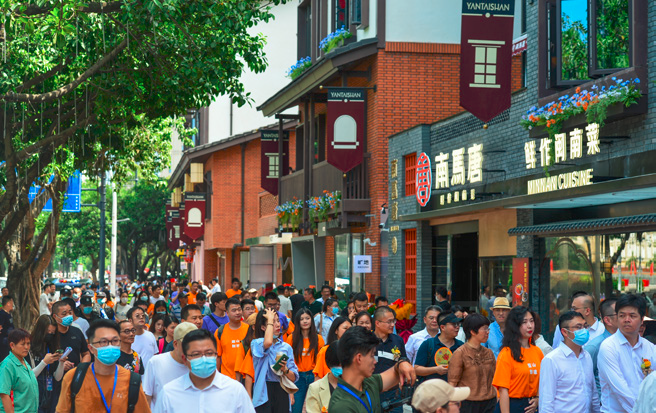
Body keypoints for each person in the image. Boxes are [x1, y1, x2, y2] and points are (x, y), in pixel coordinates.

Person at [55, 319, 150, 412]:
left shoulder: (132, 381)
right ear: (91, 348)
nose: (110, 346)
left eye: (115, 341)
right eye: (103, 342)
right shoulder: (74, 378)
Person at [153, 329, 253, 413]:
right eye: (196, 354)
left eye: (209, 353)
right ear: (185, 359)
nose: (204, 359)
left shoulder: (235, 390)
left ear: (216, 355)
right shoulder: (169, 393)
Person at [327, 326, 416, 413]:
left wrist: (401, 363)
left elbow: (395, 373)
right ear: (359, 358)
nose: (375, 361)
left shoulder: (369, 383)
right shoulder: (341, 406)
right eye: (372, 355)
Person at [598, 294, 656, 413]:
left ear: (642, 319)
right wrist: (641, 410)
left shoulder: (650, 347)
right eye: (622, 315)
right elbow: (621, 391)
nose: (626, 320)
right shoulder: (608, 347)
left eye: (632, 316)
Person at [538, 311, 600, 413]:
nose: (584, 330)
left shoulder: (586, 356)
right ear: (565, 332)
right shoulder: (552, 360)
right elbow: (546, 401)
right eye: (578, 327)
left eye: (585, 326)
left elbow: (593, 393)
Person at [491, 306, 543, 413]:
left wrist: (537, 398)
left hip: (532, 406)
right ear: (515, 326)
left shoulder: (537, 351)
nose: (530, 326)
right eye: (524, 322)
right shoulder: (506, 353)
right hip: (512, 405)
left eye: (531, 321)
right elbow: (503, 390)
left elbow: (542, 380)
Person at [251, 308, 299, 413]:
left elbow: (294, 377)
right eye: (273, 322)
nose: (278, 325)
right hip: (263, 390)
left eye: (278, 321)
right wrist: (270, 320)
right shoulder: (257, 343)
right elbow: (268, 343)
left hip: (281, 389)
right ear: (263, 327)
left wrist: (285, 370)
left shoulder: (286, 347)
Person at [448, 313, 496, 413]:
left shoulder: (489, 353)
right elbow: (452, 383)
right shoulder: (460, 353)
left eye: (488, 329)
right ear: (473, 331)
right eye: (485, 329)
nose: (488, 332)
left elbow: (495, 378)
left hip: (489, 402)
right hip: (468, 403)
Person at [143, 322, 196, 409]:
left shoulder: (198, 364)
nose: (191, 349)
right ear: (175, 344)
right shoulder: (156, 362)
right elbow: (147, 397)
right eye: (187, 345)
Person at [286, 308, 324, 413]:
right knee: (296, 409)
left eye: (307, 318)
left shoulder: (318, 339)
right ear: (297, 322)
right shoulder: (291, 338)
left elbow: (321, 361)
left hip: (314, 376)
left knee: (316, 409)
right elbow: (288, 361)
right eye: (301, 319)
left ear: (311, 320)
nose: (305, 321)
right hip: (297, 377)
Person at [27, 315, 67, 413]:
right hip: (35, 390)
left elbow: (57, 377)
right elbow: (28, 376)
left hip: (51, 390)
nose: (49, 335)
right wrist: (44, 362)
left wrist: (61, 362)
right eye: (47, 332)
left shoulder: (52, 346)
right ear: (40, 330)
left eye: (52, 333)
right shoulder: (29, 347)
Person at [372, 306, 408, 413]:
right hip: (372, 391)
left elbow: (403, 361)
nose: (392, 325)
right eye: (389, 322)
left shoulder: (398, 340)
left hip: (393, 394)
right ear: (377, 323)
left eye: (393, 321)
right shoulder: (367, 340)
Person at [583, 297, 617, 397]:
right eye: (621, 315)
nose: (627, 319)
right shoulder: (595, 347)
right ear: (607, 320)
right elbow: (585, 380)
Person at [415, 312, 464, 382]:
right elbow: (416, 369)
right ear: (442, 327)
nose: (457, 327)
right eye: (454, 324)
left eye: (458, 324)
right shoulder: (428, 344)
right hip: (432, 387)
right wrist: (435, 369)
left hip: (454, 387)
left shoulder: (461, 346)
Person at [0, 329, 39, 413]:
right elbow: (4, 394)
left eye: (28, 343)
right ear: (12, 345)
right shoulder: (7, 365)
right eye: (23, 344)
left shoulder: (24, 361)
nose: (26, 347)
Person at [215, 297, 249, 379]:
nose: (237, 312)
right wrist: (216, 375)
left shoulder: (249, 329)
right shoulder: (220, 331)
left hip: (246, 376)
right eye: (234, 310)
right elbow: (217, 356)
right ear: (227, 312)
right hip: (227, 377)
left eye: (239, 309)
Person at [51, 301, 90, 368]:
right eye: (64, 314)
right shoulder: (51, 334)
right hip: (55, 373)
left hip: (75, 372)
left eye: (70, 313)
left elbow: (86, 354)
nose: (68, 316)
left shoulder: (77, 331)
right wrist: (60, 365)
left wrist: (81, 368)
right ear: (55, 316)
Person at [305, 341, 340, 413]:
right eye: (336, 365)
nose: (340, 368)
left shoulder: (355, 386)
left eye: (343, 365)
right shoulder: (315, 388)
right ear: (329, 363)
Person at [0, 295, 15, 361]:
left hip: (9, 340)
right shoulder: (2, 314)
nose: (13, 305)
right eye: (12, 303)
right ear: (8, 303)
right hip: (3, 342)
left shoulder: (8, 314)